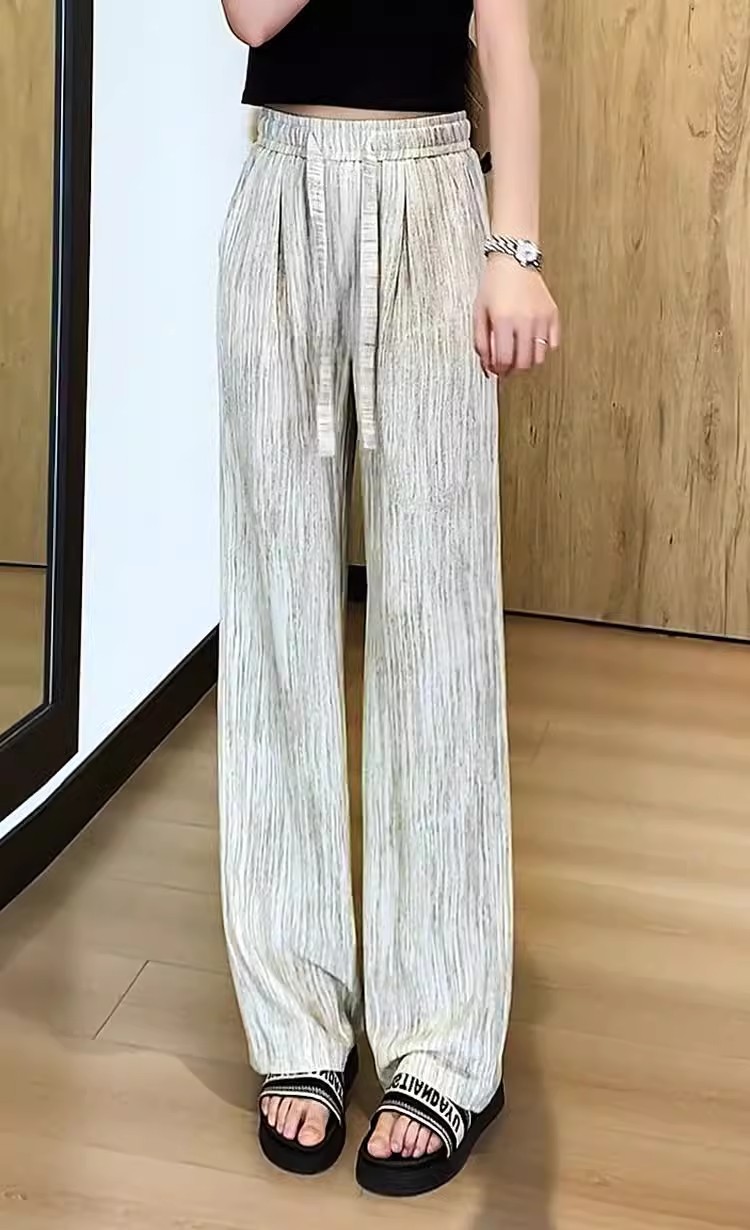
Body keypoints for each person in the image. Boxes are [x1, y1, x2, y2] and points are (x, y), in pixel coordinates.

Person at [217, 0, 559, 1198]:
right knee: (276, 617)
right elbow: (251, 18)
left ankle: (445, 1042)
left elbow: (508, 55)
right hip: (281, 196)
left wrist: (515, 252)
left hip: (431, 195)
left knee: (437, 625)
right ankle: (297, 1021)